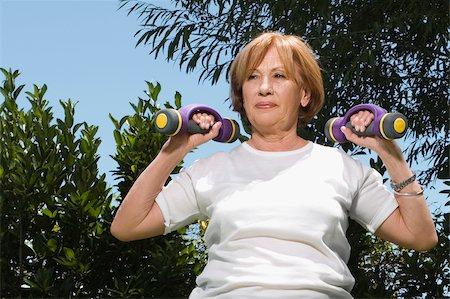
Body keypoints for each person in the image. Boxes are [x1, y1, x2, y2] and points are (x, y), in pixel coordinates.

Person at [111, 32, 437, 298]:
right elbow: (127, 227)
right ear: (242, 94)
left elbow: (420, 237)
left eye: (279, 75)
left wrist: (391, 155)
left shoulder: (341, 168)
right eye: (253, 77)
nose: (264, 86)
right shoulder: (211, 170)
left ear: (305, 94)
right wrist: (173, 150)